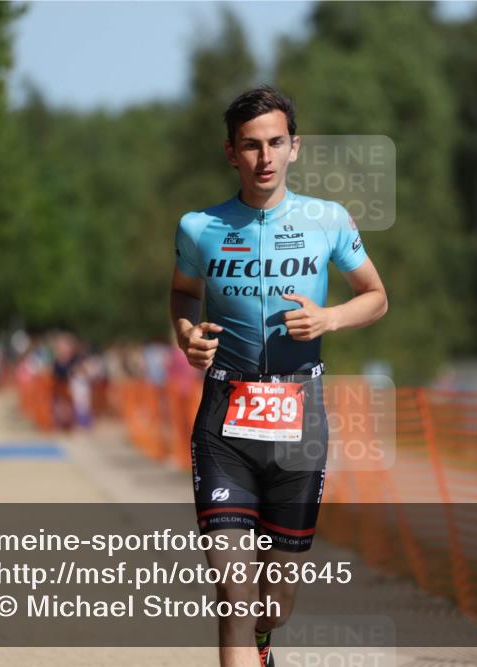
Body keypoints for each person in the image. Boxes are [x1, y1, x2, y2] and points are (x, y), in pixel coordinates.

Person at [170, 85, 388, 667]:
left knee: (275, 597)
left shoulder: (328, 219)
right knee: (233, 592)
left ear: (295, 147)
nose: (264, 158)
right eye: (250, 146)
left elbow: (376, 296)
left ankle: (266, 644)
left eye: (274, 143)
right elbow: (184, 294)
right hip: (225, 425)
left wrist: (329, 318)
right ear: (230, 152)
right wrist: (186, 335)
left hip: (300, 425)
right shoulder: (199, 227)